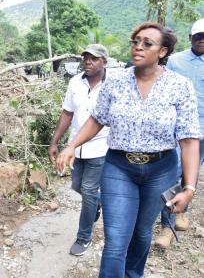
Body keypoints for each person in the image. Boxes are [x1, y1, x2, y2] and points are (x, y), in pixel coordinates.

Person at [56, 22, 201, 278]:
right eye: (135, 41)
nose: (138, 47)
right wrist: (71, 145)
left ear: (163, 52)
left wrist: (189, 187)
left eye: (147, 43)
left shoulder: (180, 86)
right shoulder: (116, 82)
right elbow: (97, 119)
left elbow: (189, 139)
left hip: (161, 171)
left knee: (142, 232)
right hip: (119, 168)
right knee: (116, 239)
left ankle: (134, 274)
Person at [49, 44, 110, 256]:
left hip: (102, 147)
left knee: (89, 191)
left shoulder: (112, 85)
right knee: (77, 186)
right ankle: (98, 204)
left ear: (104, 62)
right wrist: (55, 141)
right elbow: (67, 113)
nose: (88, 62)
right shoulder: (75, 82)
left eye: (93, 58)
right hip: (75, 147)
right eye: (85, 57)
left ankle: (84, 237)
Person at [155, 18, 204, 248]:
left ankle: (182, 212)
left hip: (202, 133)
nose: (202, 40)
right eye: (198, 36)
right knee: (171, 176)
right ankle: (166, 227)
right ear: (190, 38)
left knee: (190, 177)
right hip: (177, 133)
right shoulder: (175, 61)